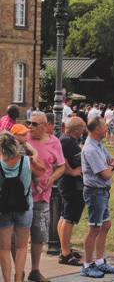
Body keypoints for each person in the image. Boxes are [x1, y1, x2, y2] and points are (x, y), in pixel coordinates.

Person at [27, 111, 65, 282]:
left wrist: (53, 177)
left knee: (39, 236)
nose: (30, 127)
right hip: (21, 197)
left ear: (44, 126)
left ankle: (34, 271)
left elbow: (61, 166)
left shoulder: (54, 142)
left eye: (34, 124)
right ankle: (18, 270)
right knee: (15, 237)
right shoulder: (23, 139)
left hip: (42, 196)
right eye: (29, 123)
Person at [81, 116, 114, 278]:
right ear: (97, 130)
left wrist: (111, 164)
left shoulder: (98, 144)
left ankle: (99, 261)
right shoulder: (90, 149)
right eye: (105, 127)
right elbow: (105, 173)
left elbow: (112, 159)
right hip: (95, 192)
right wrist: (112, 165)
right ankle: (87, 264)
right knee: (94, 228)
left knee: (105, 225)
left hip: (103, 192)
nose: (107, 129)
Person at [0, 133, 42, 282]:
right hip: (24, 208)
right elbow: (42, 171)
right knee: (22, 247)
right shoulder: (27, 161)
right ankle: (19, 279)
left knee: (4, 248)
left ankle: (7, 280)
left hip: (3, 210)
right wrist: (34, 153)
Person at [57, 117, 86, 267]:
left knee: (64, 217)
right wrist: (72, 172)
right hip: (70, 186)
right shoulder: (67, 141)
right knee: (69, 219)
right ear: (76, 129)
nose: (84, 130)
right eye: (83, 127)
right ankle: (66, 254)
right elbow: (61, 159)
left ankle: (64, 249)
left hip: (67, 185)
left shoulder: (67, 140)